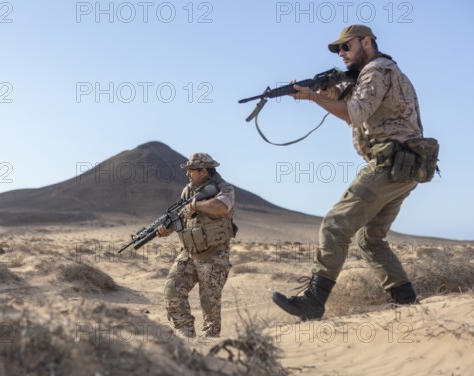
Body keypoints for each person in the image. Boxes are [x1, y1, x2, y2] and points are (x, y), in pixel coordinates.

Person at [271, 24, 421, 320]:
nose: (341, 54)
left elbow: (354, 113)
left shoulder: (376, 70)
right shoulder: (385, 71)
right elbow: (356, 110)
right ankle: (406, 302)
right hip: (408, 165)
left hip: (391, 163)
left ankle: (314, 300)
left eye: (346, 47)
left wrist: (315, 97)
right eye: (337, 50)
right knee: (370, 239)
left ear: (367, 41)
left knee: (335, 224)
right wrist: (329, 93)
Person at [156, 153, 236, 338]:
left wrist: (196, 206)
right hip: (189, 252)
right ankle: (185, 334)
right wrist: (165, 229)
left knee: (209, 304)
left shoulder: (224, 189)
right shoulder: (188, 191)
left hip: (214, 254)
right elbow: (181, 217)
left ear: (204, 171)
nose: (188, 175)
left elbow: (222, 207)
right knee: (172, 291)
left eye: (191, 171)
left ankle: (210, 342)